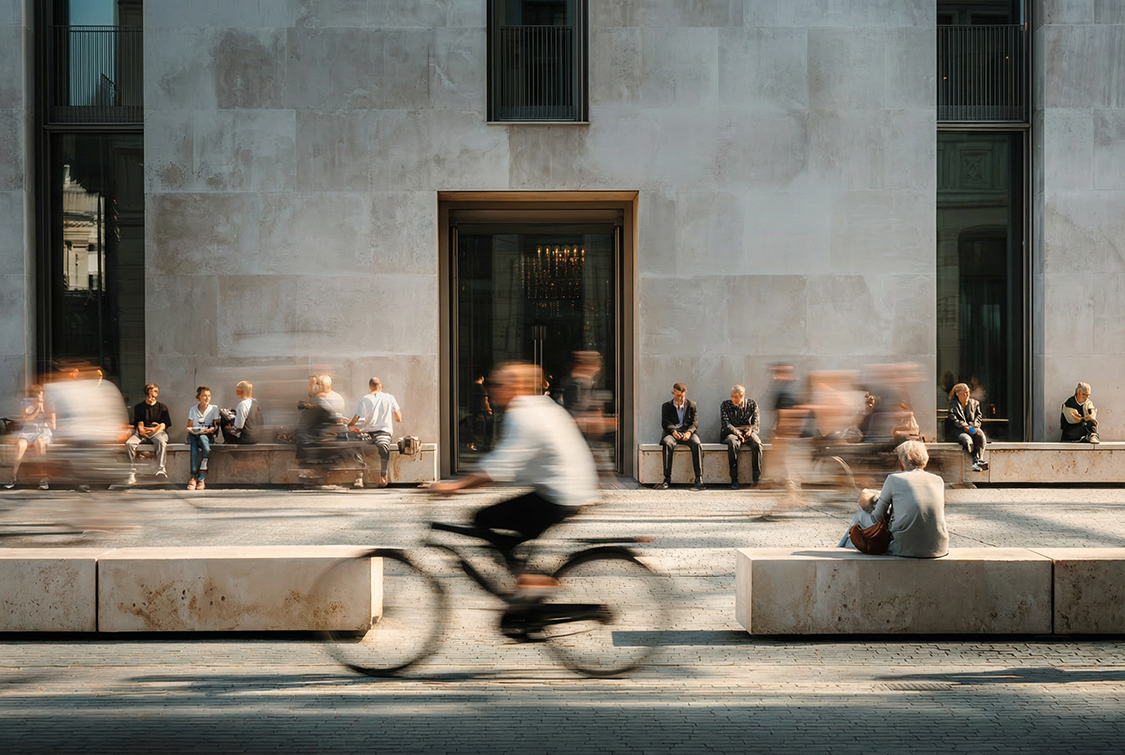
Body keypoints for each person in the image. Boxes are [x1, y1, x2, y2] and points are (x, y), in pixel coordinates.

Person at [429, 362, 599, 588]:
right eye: (492, 384)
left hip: (560, 494)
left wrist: (455, 486)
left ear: (516, 387)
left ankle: (526, 580)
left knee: (484, 518)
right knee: (506, 530)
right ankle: (524, 577)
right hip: (568, 488)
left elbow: (501, 466)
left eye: (498, 384)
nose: (492, 389)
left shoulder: (523, 414)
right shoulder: (538, 405)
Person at [838, 440, 948, 558]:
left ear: (901, 462)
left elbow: (876, 517)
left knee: (861, 514)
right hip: (938, 547)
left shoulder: (894, 479)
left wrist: (872, 498)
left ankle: (840, 551)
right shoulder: (938, 480)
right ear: (925, 462)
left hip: (903, 548)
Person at [348, 377, 402, 488]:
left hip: (367, 433)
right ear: (381, 387)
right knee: (383, 448)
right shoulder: (390, 398)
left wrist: (348, 425)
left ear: (369, 387)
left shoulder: (364, 399)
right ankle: (383, 475)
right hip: (384, 433)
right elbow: (398, 418)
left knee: (353, 445)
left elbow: (355, 419)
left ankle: (359, 476)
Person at [5, 384, 55, 489]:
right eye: (36, 396)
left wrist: (44, 413)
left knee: (39, 443)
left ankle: (43, 478)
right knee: (20, 445)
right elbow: (26, 420)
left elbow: (53, 425)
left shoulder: (49, 405)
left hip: (43, 431)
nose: (38, 398)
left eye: (40, 396)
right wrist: (37, 409)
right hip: (28, 431)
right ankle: (13, 476)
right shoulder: (25, 404)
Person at [658, 382, 703, 491]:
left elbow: (695, 423)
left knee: (697, 444)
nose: (680, 398)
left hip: (688, 432)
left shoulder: (692, 405)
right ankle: (667, 478)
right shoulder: (666, 406)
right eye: (678, 395)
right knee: (667, 443)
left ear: (685, 393)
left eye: (682, 396)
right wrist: (673, 431)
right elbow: (665, 422)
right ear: (673, 392)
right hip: (672, 433)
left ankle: (699, 478)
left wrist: (689, 432)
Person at [125, 383, 172, 485]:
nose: (150, 398)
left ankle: (161, 469)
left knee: (161, 442)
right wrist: (141, 430)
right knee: (130, 444)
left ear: (157, 394)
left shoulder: (162, 407)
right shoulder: (139, 407)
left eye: (153, 395)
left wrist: (155, 429)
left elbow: (165, 424)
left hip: (157, 432)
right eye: (148, 395)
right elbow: (139, 421)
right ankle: (132, 471)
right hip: (143, 431)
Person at [720, 385, 762, 490]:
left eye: (736, 397)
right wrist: (738, 433)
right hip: (732, 432)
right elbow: (727, 424)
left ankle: (757, 478)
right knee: (733, 444)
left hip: (748, 431)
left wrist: (750, 430)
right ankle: (734, 479)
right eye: (732, 396)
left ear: (742, 396)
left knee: (757, 443)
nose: (733, 399)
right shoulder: (725, 405)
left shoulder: (752, 404)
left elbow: (756, 422)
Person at [946, 382, 988, 472]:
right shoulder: (953, 404)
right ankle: (974, 460)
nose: (967, 395)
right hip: (959, 430)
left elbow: (979, 416)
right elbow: (952, 418)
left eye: (968, 392)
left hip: (972, 427)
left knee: (980, 435)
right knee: (967, 440)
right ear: (958, 394)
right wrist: (964, 425)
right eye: (964, 393)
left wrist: (975, 425)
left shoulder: (974, 403)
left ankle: (979, 459)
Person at [186, 385, 219, 490]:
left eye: (209, 395)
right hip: (194, 434)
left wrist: (210, 430)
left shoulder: (214, 408)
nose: (207, 398)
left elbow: (216, 426)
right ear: (198, 397)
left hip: (206, 434)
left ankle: (201, 477)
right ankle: (193, 477)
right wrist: (193, 430)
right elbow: (189, 426)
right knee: (194, 450)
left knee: (205, 446)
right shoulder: (193, 409)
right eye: (204, 395)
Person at [220, 381, 263, 445]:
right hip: (257, 437)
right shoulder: (255, 403)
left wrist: (229, 428)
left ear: (242, 391)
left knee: (224, 422)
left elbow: (238, 427)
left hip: (245, 439)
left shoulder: (242, 405)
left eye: (238, 389)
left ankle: (226, 445)